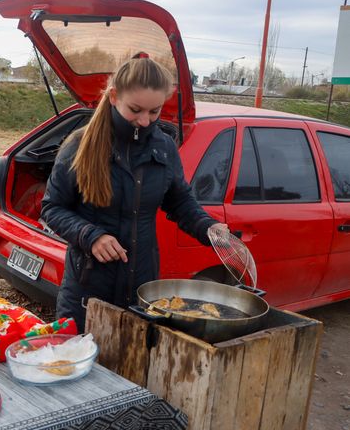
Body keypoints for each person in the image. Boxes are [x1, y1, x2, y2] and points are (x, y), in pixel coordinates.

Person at [41, 54, 226, 332]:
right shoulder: (80, 145)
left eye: (154, 112)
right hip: (87, 291)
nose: (145, 121)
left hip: (142, 288)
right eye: (136, 110)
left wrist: (209, 227)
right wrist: (91, 236)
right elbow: (52, 208)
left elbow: (180, 201)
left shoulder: (164, 148)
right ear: (114, 96)